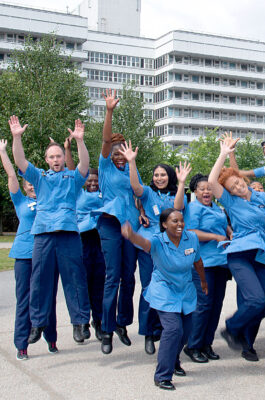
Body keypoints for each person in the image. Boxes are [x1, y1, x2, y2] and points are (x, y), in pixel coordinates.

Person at [10, 116, 91, 345]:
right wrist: (17, 138)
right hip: (43, 234)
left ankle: (79, 322)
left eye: (59, 156)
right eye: (52, 156)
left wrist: (79, 142)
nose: (56, 159)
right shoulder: (40, 177)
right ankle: (37, 323)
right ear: (46, 160)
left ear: (64, 158)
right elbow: (20, 161)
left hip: (67, 233)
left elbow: (84, 164)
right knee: (39, 280)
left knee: (74, 278)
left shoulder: (72, 178)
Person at [121, 208, 207, 391]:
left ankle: (173, 359)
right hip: (164, 289)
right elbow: (143, 243)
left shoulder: (191, 238)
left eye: (181, 221)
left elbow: (198, 262)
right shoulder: (158, 241)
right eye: (175, 221)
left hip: (185, 289)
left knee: (186, 330)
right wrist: (131, 235)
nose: (180, 224)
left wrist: (203, 282)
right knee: (173, 329)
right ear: (164, 224)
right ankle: (162, 376)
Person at [209, 133, 265, 362]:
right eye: (231, 187)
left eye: (237, 182)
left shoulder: (262, 197)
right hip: (240, 255)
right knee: (256, 300)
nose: (236, 187)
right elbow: (211, 183)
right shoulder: (231, 201)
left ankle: (238, 330)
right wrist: (223, 154)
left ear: (242, 180)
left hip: (261, 254)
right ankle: (231, 328)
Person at [120, 140, 187, 355]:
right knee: (149, 288)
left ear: (170, 176)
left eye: (163, 175)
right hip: (149, 247)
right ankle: (148, 332)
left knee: (169, 289)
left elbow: (178, 207)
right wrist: (132, 163)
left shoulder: (177, 194)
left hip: (170, 250)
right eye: (156, 175)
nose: (159, 178)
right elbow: (136, 187)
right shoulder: (148, 193)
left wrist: (182, 181)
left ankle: (162, 329)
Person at [0, 139, 58, 359]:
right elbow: (12, 176)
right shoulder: (20, 201)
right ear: (25, 186)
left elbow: (56, 175)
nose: (32, 185)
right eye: (28, 184)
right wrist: (3, 152)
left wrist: (58, 148)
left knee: (48, 297)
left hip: (47, 255)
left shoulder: (49, 199)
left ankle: (51, 338)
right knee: (24, 299)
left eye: (34, 182)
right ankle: (21, 344)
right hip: (24, 256)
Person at [94, 89, 140, 354]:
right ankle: (107, 330)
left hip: (131, 226)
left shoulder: (131, 168)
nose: (118, 154)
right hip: (111, 224)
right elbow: (104, 139)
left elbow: (139, 192)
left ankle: (123, 323)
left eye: (122, 150)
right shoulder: (105, 167)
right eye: (115, 150)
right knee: (113, 277)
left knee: (129, 277)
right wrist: (109, 111)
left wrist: (143, 211)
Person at [183, 173, 231, 363]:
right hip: (204, 263)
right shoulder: (193, 208)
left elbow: (225, 225)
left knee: (216, 305)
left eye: (209, 188)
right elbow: (190, 231)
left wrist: (229, 232)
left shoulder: (218, 209)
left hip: (221, 261)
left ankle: (206, 343)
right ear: (195, 191)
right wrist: (215, 237)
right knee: (203, 305)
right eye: (202, 188)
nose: (206, 192)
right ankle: (193, 345)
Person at [76, 168, 106, 341]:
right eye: (90, 181)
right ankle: (82, 322)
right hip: (83, 241)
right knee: (83, 284)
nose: (93, 183)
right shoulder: (78, 193)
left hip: (100, 242)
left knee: (99, 286)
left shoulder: (105, 196)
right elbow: (74, 170)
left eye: (96, 181)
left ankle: (98, 321)